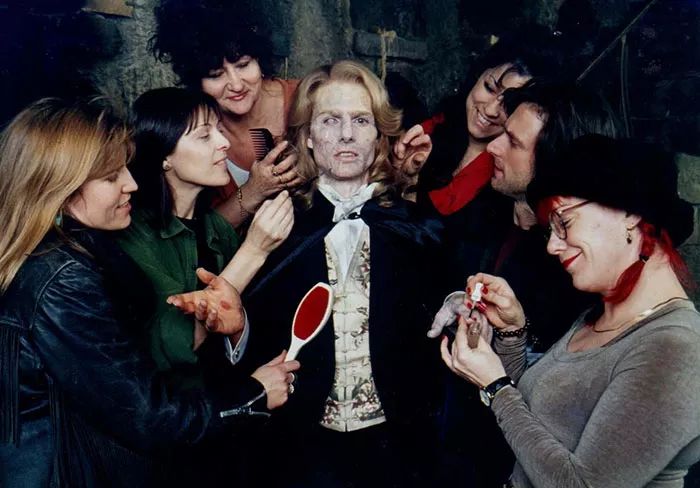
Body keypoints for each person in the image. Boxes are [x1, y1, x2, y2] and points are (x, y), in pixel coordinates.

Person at [171, 59, 444, 488]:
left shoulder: (416, 226)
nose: (347, 134)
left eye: (361, 121)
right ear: (309, 138)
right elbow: (248, 338)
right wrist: (239, 331)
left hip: (397, 446)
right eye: (330, 120)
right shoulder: (279, 227)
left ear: (379, 136)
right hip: (303, 448)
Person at [0, 97, 299, 487]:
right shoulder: (63, 278)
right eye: (111, 177)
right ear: (62, 188)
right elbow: (148, 414)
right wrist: (254, 396)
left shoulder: (71, 254)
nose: (131, 184)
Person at [441, 134, 700, 488]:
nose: (552, 245)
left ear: (630, 214)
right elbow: (539, 419)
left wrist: (495, 386)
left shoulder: (677, 348)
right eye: (550, 230)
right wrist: (512, 332)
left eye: (563, 222)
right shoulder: (599, 317)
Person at [428, 79, 621, 487]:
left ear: (554, 160)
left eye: (513, 142)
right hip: (453, 450)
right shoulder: (486, 207)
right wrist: (456, 299)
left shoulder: (580, 269)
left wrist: (512, 338)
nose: (493, 147)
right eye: (501, 133)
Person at [119, 87, 294, 390]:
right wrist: (254, 251)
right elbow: (178, 343)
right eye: (204, 136)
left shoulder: (214, 227)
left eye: (218, 130)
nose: (224, 143)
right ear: (164, 157)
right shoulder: (134, 236)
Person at [151, 0, 303, 227]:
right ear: (196, 81)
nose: (236, 85)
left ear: (260, 59)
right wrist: (254, 191)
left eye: (243, 65)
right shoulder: (191, 133)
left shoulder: (307, 98)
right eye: (215, 75)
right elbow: (199, 233)